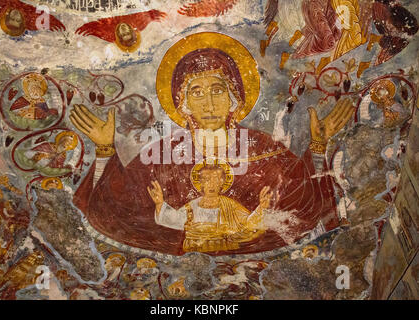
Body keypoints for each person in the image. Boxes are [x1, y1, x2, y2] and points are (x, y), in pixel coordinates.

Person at [70, 32, 354, 256]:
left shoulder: (261, 146)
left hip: (262, 257)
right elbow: (118, 208)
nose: (208, 103)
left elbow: (304, 201)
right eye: (196, 92)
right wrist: (106, 149)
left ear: (235, 97)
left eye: (218, 90)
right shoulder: (163, 152)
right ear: (183, 105)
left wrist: (317, 145)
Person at [149, 162, 283, 253]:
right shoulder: (193, 205)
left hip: (223, 250)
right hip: (194, 252)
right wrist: (160, 204)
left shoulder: (230, 206)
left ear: (222, 183)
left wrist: (261, 208)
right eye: (207, 179)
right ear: (200, 183)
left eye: (216, 179)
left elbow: (248, 224)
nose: (211, 184)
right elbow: (175, 219)